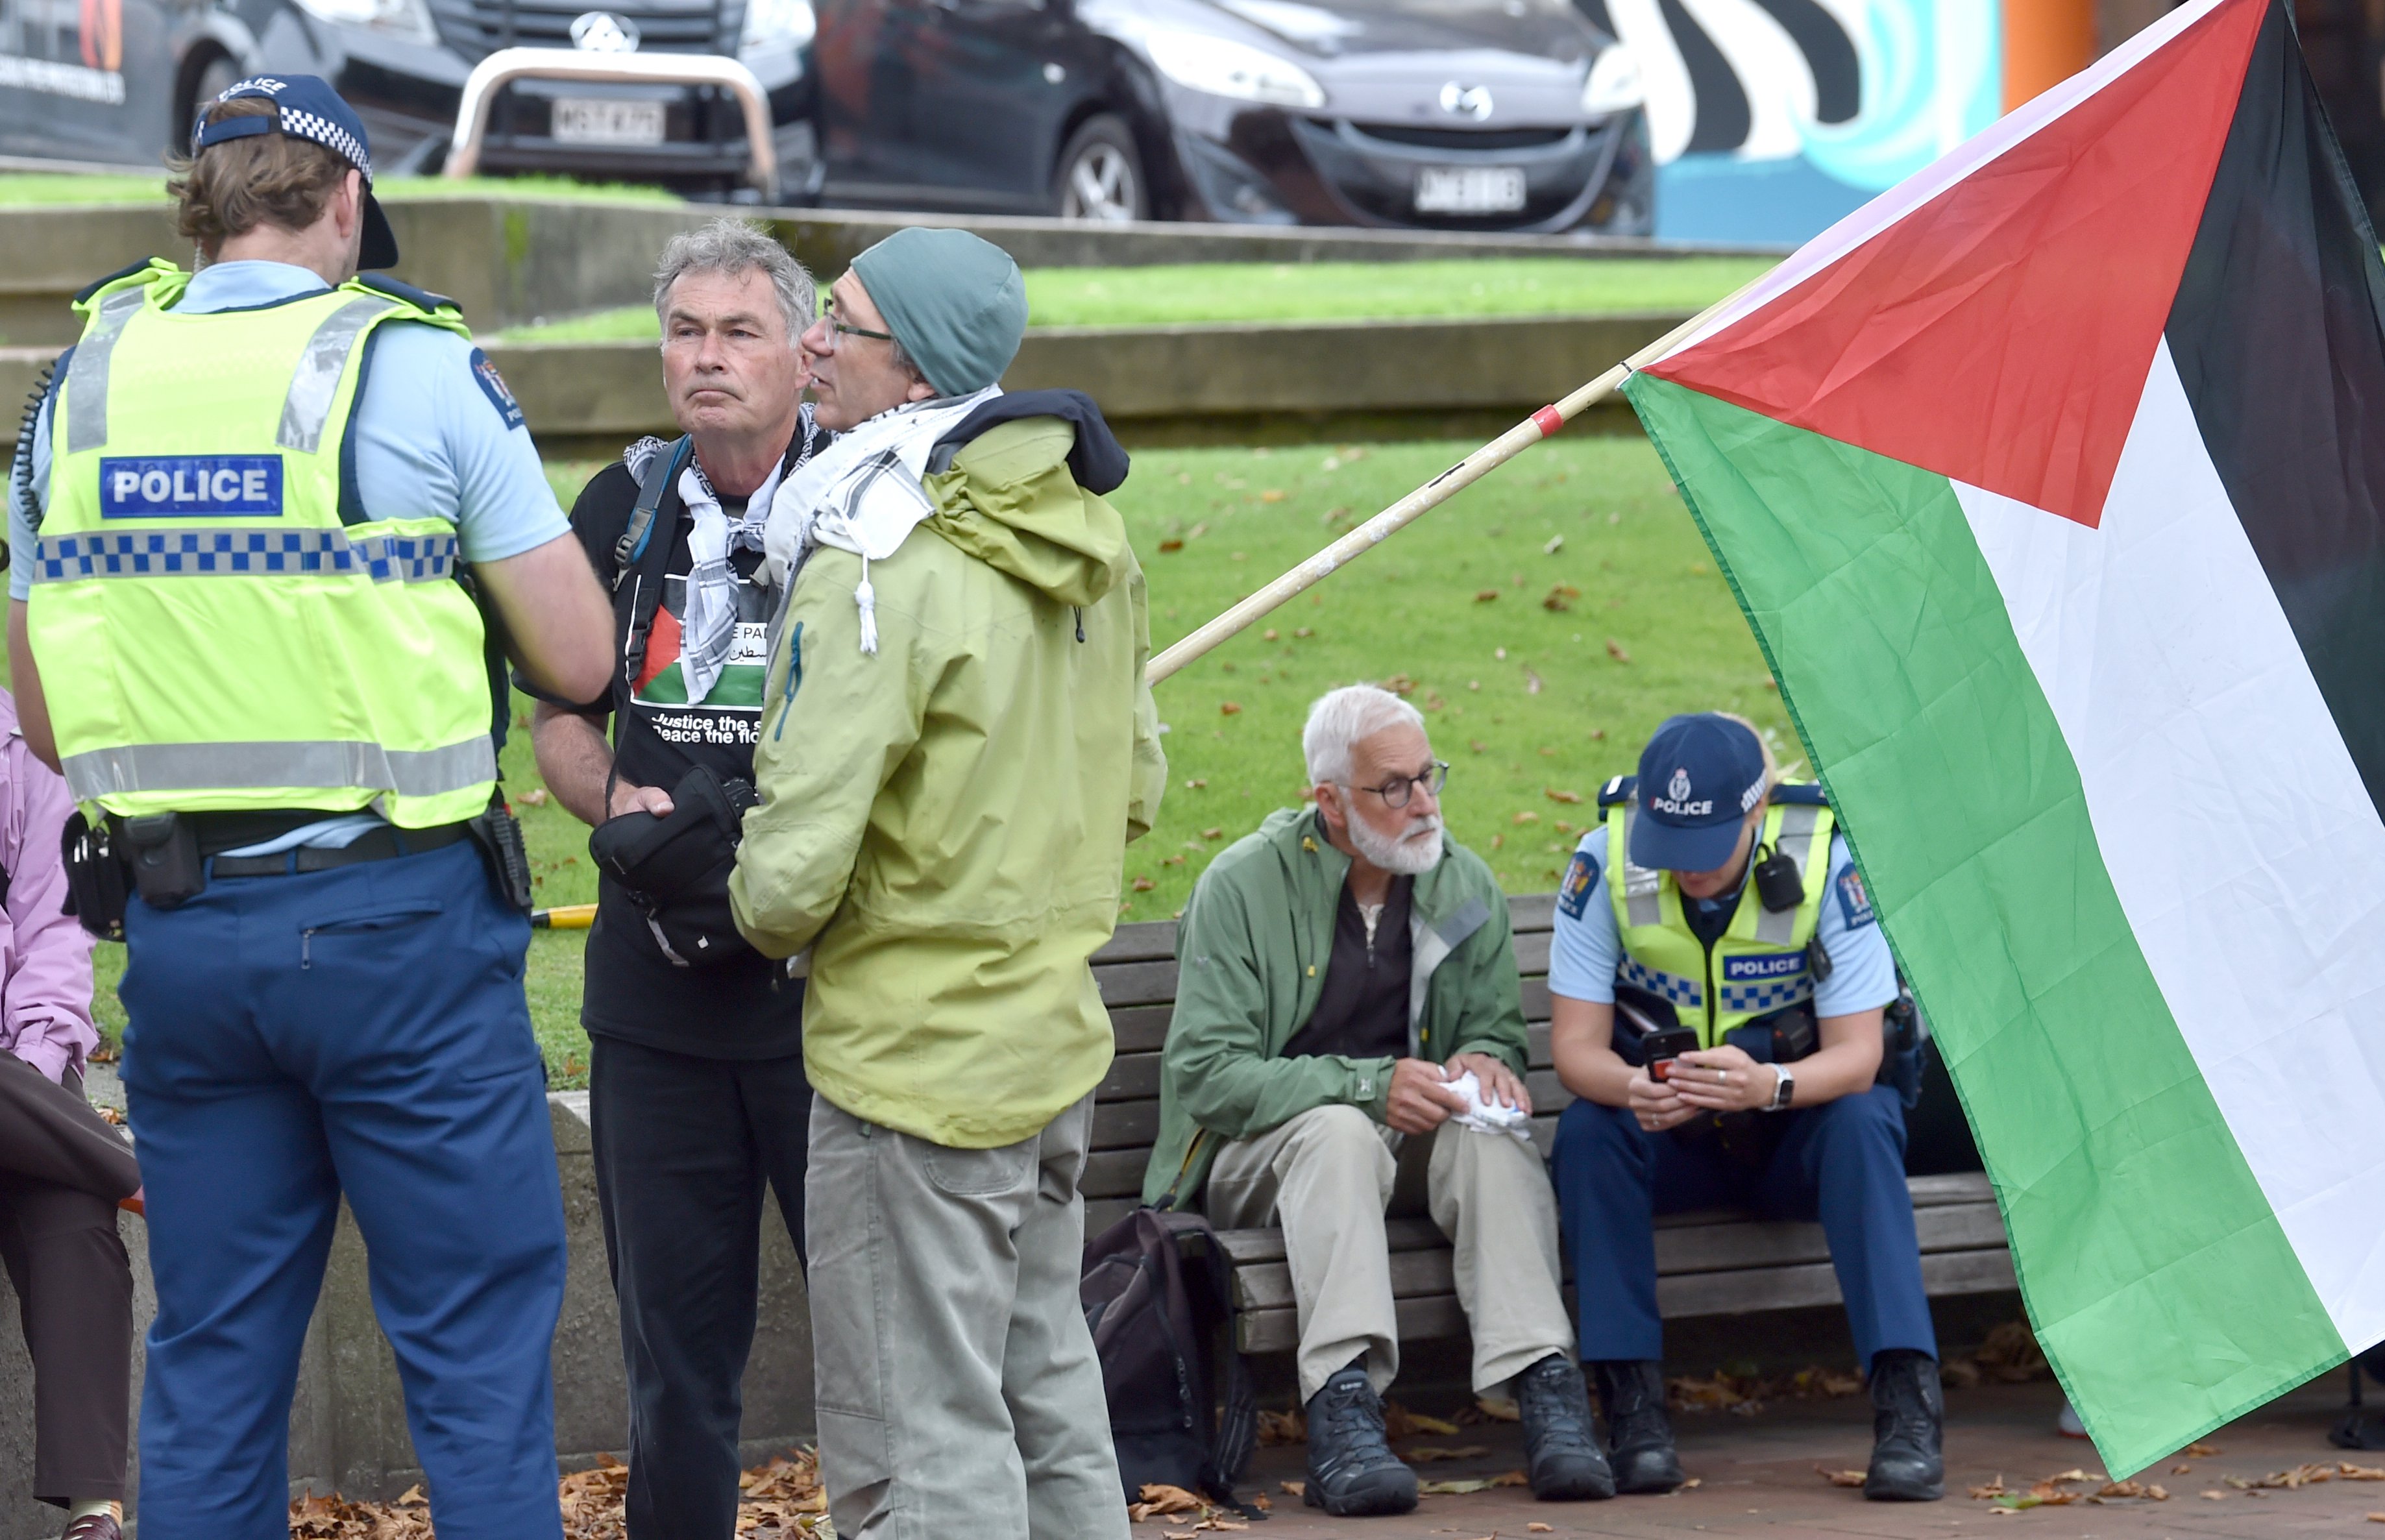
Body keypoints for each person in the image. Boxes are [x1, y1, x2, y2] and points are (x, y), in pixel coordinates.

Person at [6, 77, 614, 1538]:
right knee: (469, 1356)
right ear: (344, 205)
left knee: (211, 1362)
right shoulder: (409, 368)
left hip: (186, 941)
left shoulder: (75, 388)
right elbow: (580, 655)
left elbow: (39, 713)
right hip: (399, 929)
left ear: (199, 206)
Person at [729, 226, 1164, 1540]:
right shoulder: (1091, 533)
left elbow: (796, 857)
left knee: (920, 1440)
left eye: (838, 323)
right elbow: (1134, 788)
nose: (810, 342)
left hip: (908, 1059)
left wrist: (745, 903)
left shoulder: (873, 553)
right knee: (1047, 1396)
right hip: (1046, 1039)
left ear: (911, 372)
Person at [1142, 683, 1614, 1516]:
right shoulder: (1241, 887)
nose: (1423, 804)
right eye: (1393, 787)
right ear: (1328, 801)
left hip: (1399, 1148)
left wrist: (1483, 1058)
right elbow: (1208, 1075)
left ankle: (1546, 1387)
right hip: (1260, 1160)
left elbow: (1497, 1034)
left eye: (1427, 776)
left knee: (1484, 1131)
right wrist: (1364, 1086)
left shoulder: (1460, 882)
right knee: (1335, 1130)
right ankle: (1342, 1414)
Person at [528, 219, 821, 1540]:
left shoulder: (865, 503)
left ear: (809, 354)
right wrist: (624, 802)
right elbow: (560, 725)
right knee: (675, 1370)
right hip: (654, 1002)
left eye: (739, 331)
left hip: (832, 996)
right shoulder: (621, 504)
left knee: (878, 1349)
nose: (706, 357)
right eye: (684, 331)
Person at [1546, 713, 1944, 1502]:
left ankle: (1907, 1406)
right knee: (1589, 1133)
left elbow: (1859, 1057)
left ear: (1757, 813)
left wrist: (1769, 1087)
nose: (1685, 870)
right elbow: (1575, 1048)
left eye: (1706, 848)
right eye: (1669, 844)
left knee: (1865, 1122)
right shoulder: (1602, 859)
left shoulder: (1829, 864)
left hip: (1793, 1132)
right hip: (1675, 1136)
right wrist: (1635, 1090)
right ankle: (1632, 1411)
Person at [0, 685, 137, 1540]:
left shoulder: (20, 742)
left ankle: (95, 1514)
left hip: (19, 1077)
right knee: (82, 1165)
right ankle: (137, 1173)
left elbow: (55, 922)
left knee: (73, 1218)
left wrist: (36, 1059)